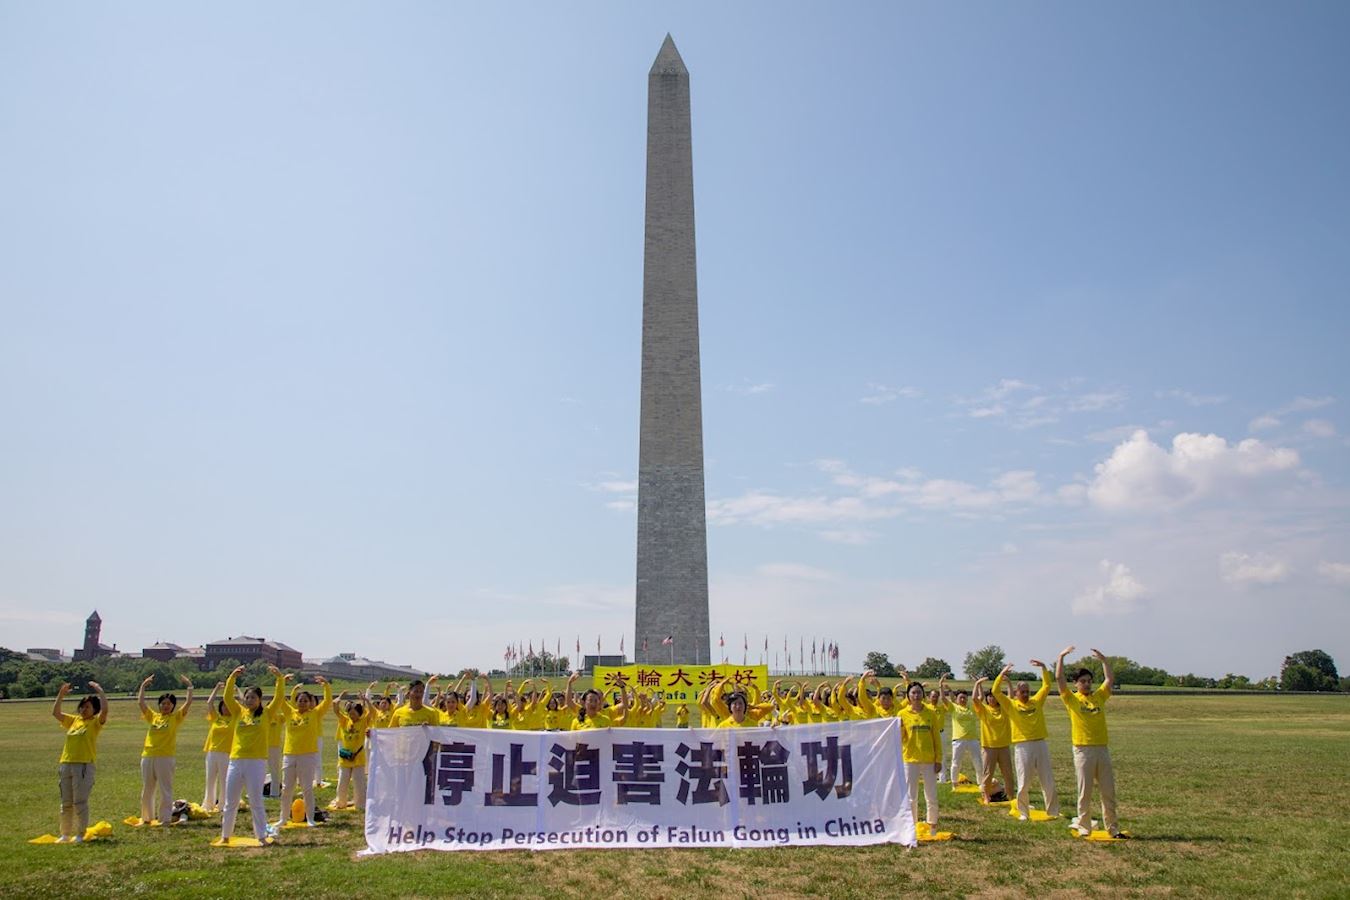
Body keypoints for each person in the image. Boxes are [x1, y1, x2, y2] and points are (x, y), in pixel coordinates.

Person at [1056, 646, 1123, 838]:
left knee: (1108, 791)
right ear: (1076, 684)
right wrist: (1061, 657)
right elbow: (1059, 679)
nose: (1086, 684)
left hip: (1102, 749)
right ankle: (1084, 827)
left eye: (1089, 681)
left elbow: (1109, 679)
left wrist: (1104, 661)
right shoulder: (1071, 699)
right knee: (1084, 792)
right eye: (1083, 681)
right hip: (1083, 750)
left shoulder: (1099, 697)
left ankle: (1113, 828)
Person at [220, 665, 287, 845]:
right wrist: (232, 677)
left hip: (256, 762)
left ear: (260, 700)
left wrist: (279, 679)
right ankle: (225, 836)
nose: (249, 700)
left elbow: (279, 698)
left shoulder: (266, 714)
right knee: (230, 801)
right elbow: (227, 697)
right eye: (247, 697)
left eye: (253, 698)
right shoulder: (238, 712)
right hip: (236, 760)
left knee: (256, 801)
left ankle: (261, 836)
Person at [993, 661, 1059, 820]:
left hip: (1040, 743)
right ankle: (1023, 812)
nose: (1025, 694)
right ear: (1016, 693)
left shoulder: (1036, 702)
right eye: (1022, 692)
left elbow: (1046, 686)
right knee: (1023, 780)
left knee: (1047, 779)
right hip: (1022, 746)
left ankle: (1053, 811)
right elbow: (995, 691)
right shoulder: (1011, 705)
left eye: (1027, 691)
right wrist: (1002, 674)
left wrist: (1044, 668)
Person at [51, 681, 108, 843]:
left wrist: (100, 691)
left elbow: (105, 711)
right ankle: (65, 834)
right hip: (66, 763)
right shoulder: (74, 721)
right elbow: (56, 713)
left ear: (94, 709)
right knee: (66, 802)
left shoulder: (95, 723)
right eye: (82, 707)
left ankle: (80, 834)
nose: (83, 709)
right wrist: (61, 695)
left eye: (87, 707)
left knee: (80, 802)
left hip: (83, 765)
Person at [137, 674, 194, 825]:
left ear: (173, 706)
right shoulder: (153, 717)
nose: (165, 706)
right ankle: (147, 817)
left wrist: (189, 686)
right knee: (147, 789)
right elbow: (141, 703)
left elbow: (188, 703)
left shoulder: (175, 717)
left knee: (165, 789)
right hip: (148, 756)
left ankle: (165, 818)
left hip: (165, 757)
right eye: (163, 703)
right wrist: (143, 686)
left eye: (169, 704)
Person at [276, 676, 332, 828]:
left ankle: (310, 818)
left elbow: (327, 702)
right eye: (300, 700)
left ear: (310, 703)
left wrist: (326, 685)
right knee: (287, 788)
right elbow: (279, 699)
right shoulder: (289, 712)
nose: (302, 703)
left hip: (307, 755)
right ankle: (283, 818)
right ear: (296, 702)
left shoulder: (315, 714)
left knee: (307, 788)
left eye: (306, 701)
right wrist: (281, 682)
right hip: (289, 755)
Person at [896, 682, 941, 834]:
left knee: (931, 795)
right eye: (913, 693)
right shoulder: (902, 714)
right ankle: (911, 826)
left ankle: (932, 826)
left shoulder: (930, 713)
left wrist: (938, 759)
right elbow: (900, 738)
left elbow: (936, 738)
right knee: (911, 797)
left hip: (929, 760)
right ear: (908, 696)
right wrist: (900, 728)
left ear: (923, 694)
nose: (916, 695)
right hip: (910, 759)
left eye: (919, 692)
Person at [971, 677, 1014, 804]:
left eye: (994, 696)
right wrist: (977, 683)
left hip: (1003, 746)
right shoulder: (984, 709)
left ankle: (1010, 795)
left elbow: (1010, 697)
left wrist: (1009, 682)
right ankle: (986, 796)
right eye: (989, 696)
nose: (992, 698)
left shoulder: (1004, 709)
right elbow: (974, 699)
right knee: (988, 773)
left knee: (1008, 773)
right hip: (989, 746)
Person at [332, 695, 372, 811]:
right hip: (345, 759)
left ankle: (360, 804)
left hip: (358, 758)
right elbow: (336, 711)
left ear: (360, 714)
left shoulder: (363, 722)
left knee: (359, 783)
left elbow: (371, 712)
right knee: (342, 782)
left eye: (354, 713)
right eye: (350, 713)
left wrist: (366, 701)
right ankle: (341, 802)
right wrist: (336, 702)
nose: (352, 715)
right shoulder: (344, 721)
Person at [200, 682, 234, 812]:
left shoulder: (235, 719)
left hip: (226, 752)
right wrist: (216, 688)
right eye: (224, 706)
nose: (226, 708)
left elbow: (243, 703)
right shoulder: (216, 718)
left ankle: (223, 804)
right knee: (210, 779)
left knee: (224, 780)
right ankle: (208, 804)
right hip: (212, 751)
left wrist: (235, 690)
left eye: (228, 705)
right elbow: (209, 703)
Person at [948, 687, 983, 787]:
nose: (963, 699)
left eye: (964, 698)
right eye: (960, 698)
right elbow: (943, 698)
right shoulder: (953, 707)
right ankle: (954, 783)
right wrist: (941, 685)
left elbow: (981, 697)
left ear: (967, 698)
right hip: (958, 740)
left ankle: (981, 783)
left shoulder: (972, 708)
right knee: (956, 762)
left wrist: (979, 684)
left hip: (973, 739)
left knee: (978, 762)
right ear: (956, 699)